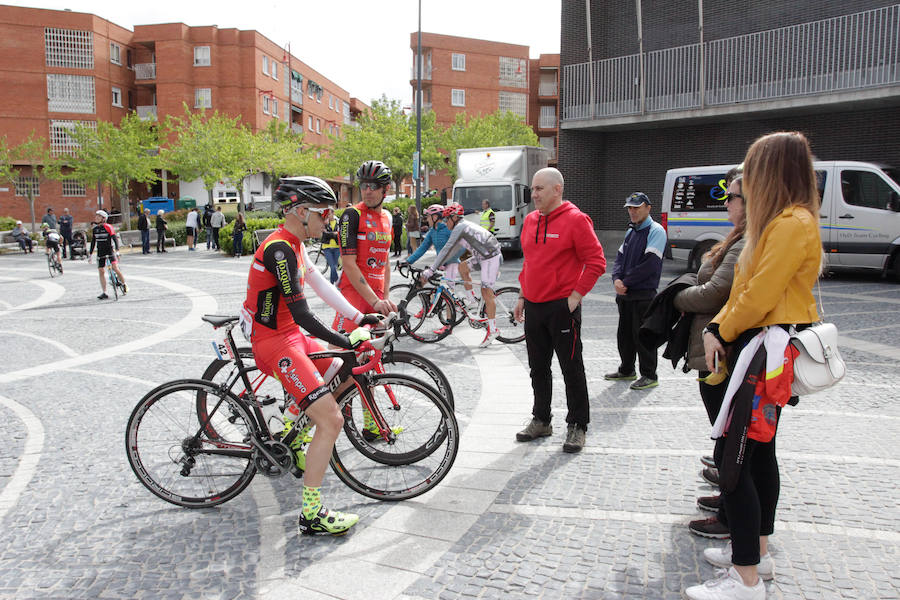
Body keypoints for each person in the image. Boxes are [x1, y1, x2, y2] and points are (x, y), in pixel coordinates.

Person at [684, 132, 822, 600]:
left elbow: (758, 294)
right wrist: (720, 327)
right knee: (755, 454)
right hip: (756, 346)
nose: (742, 184)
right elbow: (747, 293)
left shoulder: (789, 224)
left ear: (770, 173)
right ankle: (754, 554)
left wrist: (718, 329)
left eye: (752, 169)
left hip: (762, 351)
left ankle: (745, 577)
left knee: (735, 458)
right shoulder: (784, 222)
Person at [241, 175, 382, 535]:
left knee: (339, 368)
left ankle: (295, 429)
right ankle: (311, 514)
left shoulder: (296, 243)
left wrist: (358, 316)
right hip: (275, 344)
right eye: (324, 214)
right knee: (332, 420)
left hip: (291, 336)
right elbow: (303, 312)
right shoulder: (279, 249)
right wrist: (344, 337)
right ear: (302, 211)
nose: (329, 221)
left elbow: (323, 285)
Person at [673, 167, 746, 541]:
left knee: (732, 435)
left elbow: (716, 291)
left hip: (722, 347)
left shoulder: (747, 240)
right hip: (711, 345)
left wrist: (676, 297)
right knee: (723, 431)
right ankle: (727, 501)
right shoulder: (736, 237)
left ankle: (733, 516)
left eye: (731, 196)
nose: (726, 202)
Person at [513, 167, 606, 453]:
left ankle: (578, 425)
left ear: (558, 189)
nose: (534, 194)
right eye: (533, 188)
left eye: (540, 188)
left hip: (561, 307)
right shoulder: (529, 221)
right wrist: (521, 296)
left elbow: (596, 262)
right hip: (534, 306)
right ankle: (541, 419)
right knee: (538, 368)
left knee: (571, 368)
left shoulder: (576, 220)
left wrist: (574, 298)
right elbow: (529, 262)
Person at [606, 192, 668, 390]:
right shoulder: (631, 231)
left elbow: (649, 264)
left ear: (648, 208)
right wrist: (616, 279)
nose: (632, 211)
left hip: (643, 294)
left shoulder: (656, 231)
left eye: (636, 207)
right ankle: (626, 369)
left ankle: (649, 375)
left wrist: (626, 282)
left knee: (643, 336)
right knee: (624, 335)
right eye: (630, 208)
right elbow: (619, 259)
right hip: (625, 294)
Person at [418, 202, 503, 347]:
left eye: (446, 219)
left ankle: (493, 330)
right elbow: (451, 251)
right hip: (483, 256)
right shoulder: (461, 228)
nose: (445, 222)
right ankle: (471, 301)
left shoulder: (460, 227)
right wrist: (440, 264)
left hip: (491, 257)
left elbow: (446, 248)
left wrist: (432, 269)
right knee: (462, 268)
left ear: (454, 218)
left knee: (486, 292)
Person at [333, 160, 397, 333]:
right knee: (341, 351)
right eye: (364, 185)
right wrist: (375, 300)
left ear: (386, 189)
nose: (367, 191)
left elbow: (386, 262)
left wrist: (384, 298)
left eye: (374, 186)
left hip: (377, 296)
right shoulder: (352, 215)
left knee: (374, 354)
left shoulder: (388, 218)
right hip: (353, 295)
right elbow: (348, 263)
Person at [402, 204, 479, 320]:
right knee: (422, 279)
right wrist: (408, 261)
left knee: (448, 292)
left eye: (428, 216)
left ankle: (449, 323)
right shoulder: (433, 231)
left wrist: (447, 260)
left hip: (452, 263)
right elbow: (422, 248)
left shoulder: (448, 229)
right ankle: (427, 305)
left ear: (435, 217)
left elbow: (462, 247)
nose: (426, 219)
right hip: (440, 264)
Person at [88, 209, 127, 299]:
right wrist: (90, 255)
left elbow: (115, 239)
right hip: (100, 252)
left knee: (115, 268)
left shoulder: (108, 227)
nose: (96, 218)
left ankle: (124, 283)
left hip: (109, 250)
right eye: (96, 216)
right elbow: (93, 242)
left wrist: (117, 251)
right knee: (101, 271)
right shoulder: (95, 229)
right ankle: (104, 292)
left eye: (99, 216)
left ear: (104, 218)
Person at [321, 212, 341, 284]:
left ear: (333, 213)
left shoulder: (338, 222)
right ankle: (338, 282)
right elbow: (325, 234)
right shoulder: (324, 222)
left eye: (329, 214)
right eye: (327, 215)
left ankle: (332, 284)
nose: (328, 216)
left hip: (336, 247)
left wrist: (330, 234)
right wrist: (333, 234)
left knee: (334, 267)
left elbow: (339, 233)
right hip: (327, 247)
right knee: (332, 266)